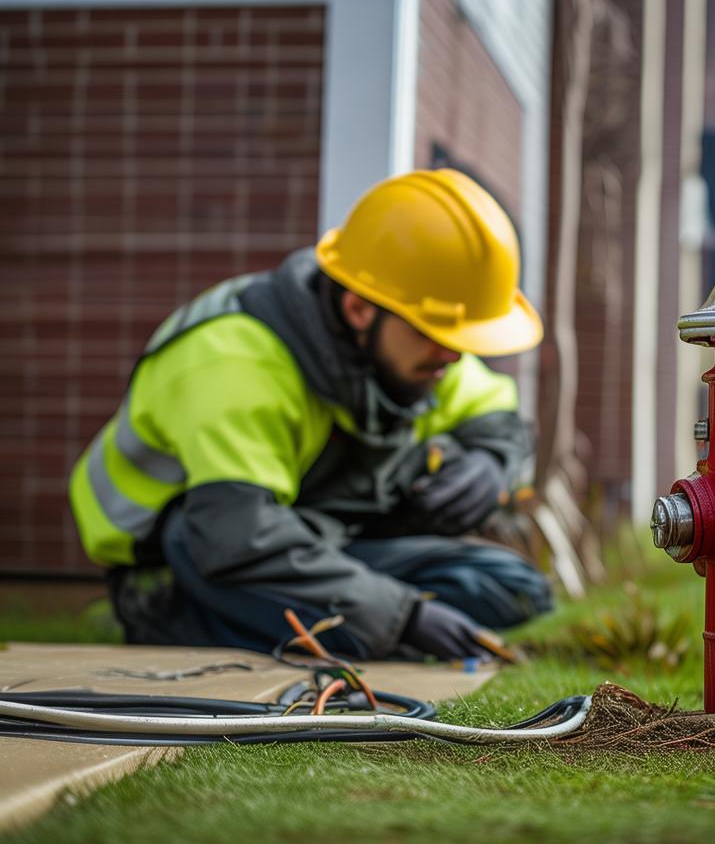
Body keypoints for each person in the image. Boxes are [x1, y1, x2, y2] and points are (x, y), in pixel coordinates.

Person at [69, 169, 553, 661]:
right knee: (205, 544)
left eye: (461, 342)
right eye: (437, 335)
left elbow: (493, 409)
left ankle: (330, 622)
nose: (453, 358)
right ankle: (188, 621)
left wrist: (491, 458)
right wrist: (399, 614)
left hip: (314, 539)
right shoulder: (236, 361)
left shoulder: (413, 349)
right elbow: (237, 537)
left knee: (513, 586)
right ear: (360, 310)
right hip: (184, 563)